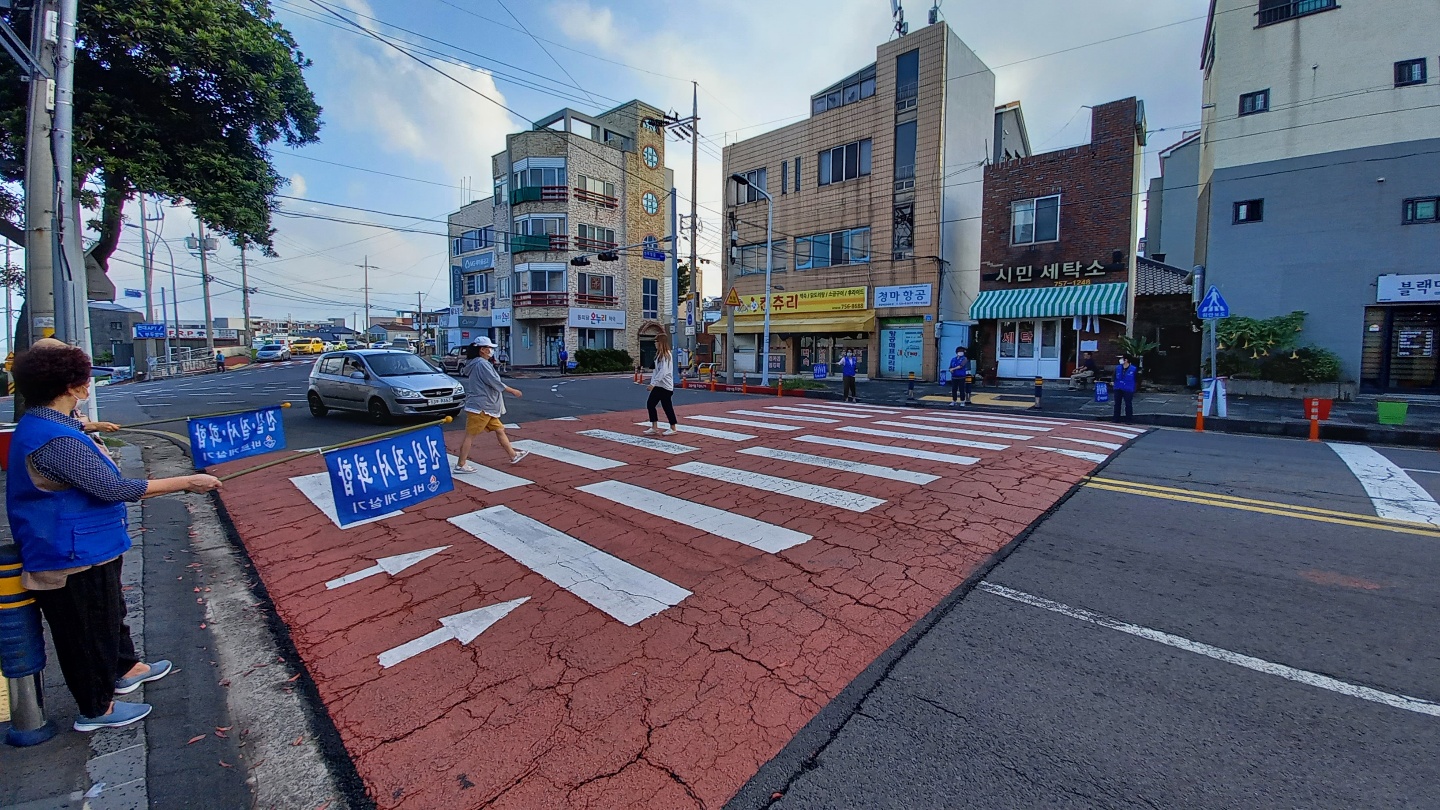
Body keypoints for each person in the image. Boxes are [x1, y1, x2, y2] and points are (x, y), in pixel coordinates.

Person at [6, 344, 223, 733]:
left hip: (90, 543)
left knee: (109, 616)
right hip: (70, 551)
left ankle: (125, 667)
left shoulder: (48, 423)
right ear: (73, 387)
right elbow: (112, 488)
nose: (89, 385)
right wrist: (188, 482)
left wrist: (91, 425)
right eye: (85, 379)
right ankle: (96, 708)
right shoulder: (55, 441)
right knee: (86, 633)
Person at [454, 338, 527, 471]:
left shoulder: (475, 363)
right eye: (489, 348)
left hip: (486, 406)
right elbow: (494, 382)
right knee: (470, 436)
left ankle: (513, 455)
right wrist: (513, 391)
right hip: (481, 407)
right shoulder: (482, 364)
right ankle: (461, 464)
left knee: (499, 429)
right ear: (482, 349)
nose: (491, 351)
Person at [640, 330, 678, 435]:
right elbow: (656, 371)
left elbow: (663, 372)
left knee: (667, 407)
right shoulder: (659, 355)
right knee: (650, 404)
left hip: (665, 386)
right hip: (659, 385)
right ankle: (654, 427)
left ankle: (673, 428)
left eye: (656, 341)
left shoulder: (666, 355)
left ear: (661, 342)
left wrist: (653, 384)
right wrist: (653, 383)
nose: (654, 343)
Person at [1112, 354, 1138, 422]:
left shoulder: (1133, 369)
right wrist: (1113, 382)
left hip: (1128, 388)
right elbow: (1114, 376)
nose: (1121, 360)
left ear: (1126, 360)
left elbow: (1136, 379)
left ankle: (1129, 419)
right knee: (1117, 403)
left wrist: (1134, 388)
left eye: (1122, 359)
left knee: (1128, 404)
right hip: (1118, 387)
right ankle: (1116, 419)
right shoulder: (1118, 368)